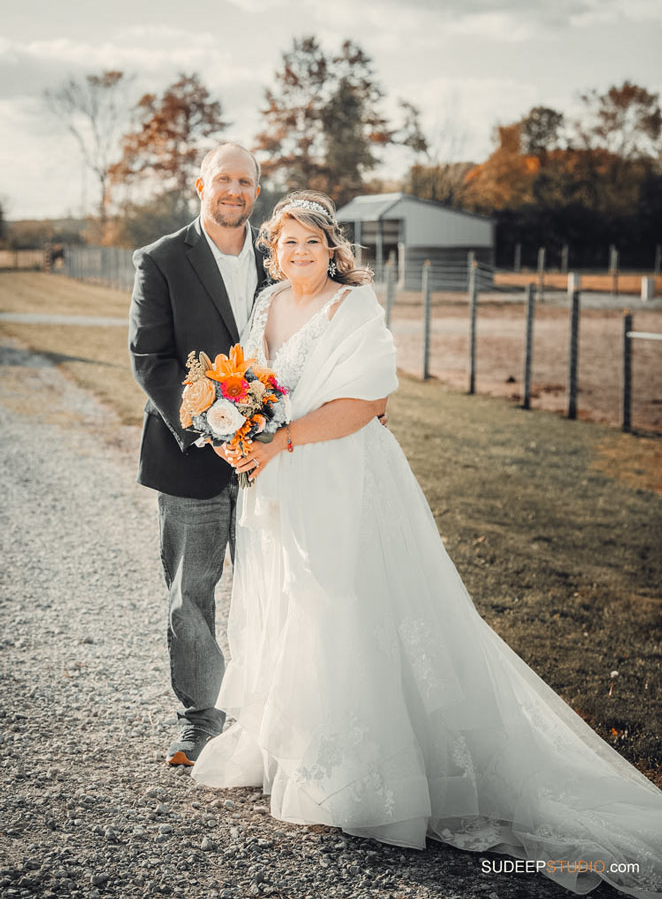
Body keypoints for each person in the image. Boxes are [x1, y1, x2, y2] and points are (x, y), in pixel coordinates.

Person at [191, 190, 662, 896]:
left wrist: (282, 437)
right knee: (295, 603)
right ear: (272, 251)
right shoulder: (265, 307)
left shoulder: (356, 309)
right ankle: (298, 755)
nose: (299, 256)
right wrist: (242, 436)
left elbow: (370, 401)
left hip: (345, 474)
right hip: (282, 481)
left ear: (333, 248)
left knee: (348, 606)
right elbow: (249, 384)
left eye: (311, 245)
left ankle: (363, 782)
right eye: (286, 246)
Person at [128, 142, 266, 766]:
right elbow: (150, 359)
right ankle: (201, 719)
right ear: (200, 185)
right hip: (190, 456)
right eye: (223, 179)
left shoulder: (282, 255)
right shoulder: (160, 260)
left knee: (277, 586)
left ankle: (272, 716)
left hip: (272, 457)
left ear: (256, 192)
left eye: (246, 181)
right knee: (193, 592)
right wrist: (209, 425)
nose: (234, 190)